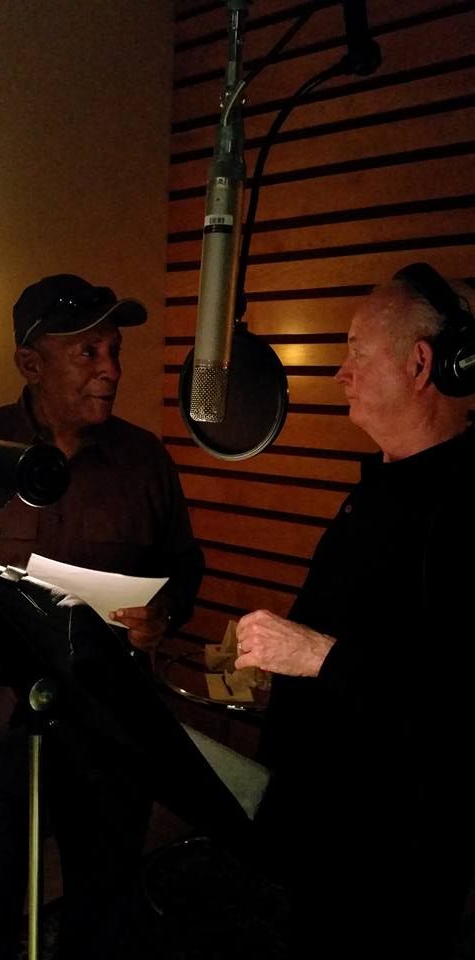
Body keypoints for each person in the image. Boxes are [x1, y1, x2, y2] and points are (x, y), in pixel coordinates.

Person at [0, 273, 204, 959]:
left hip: (107, 734)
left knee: (105, 917)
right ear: (30, 364)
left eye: (114, 350)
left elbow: (184, 565)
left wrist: (165, 611)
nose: (111, 370)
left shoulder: (145, 461)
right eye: (88, 352)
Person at [234, 264, 475, 959]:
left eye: (356, 352)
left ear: (421, 364)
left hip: (393, 856)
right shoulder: (384, 485)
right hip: (329, 833)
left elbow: (457, 702)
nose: (342, 374)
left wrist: (315, 656)